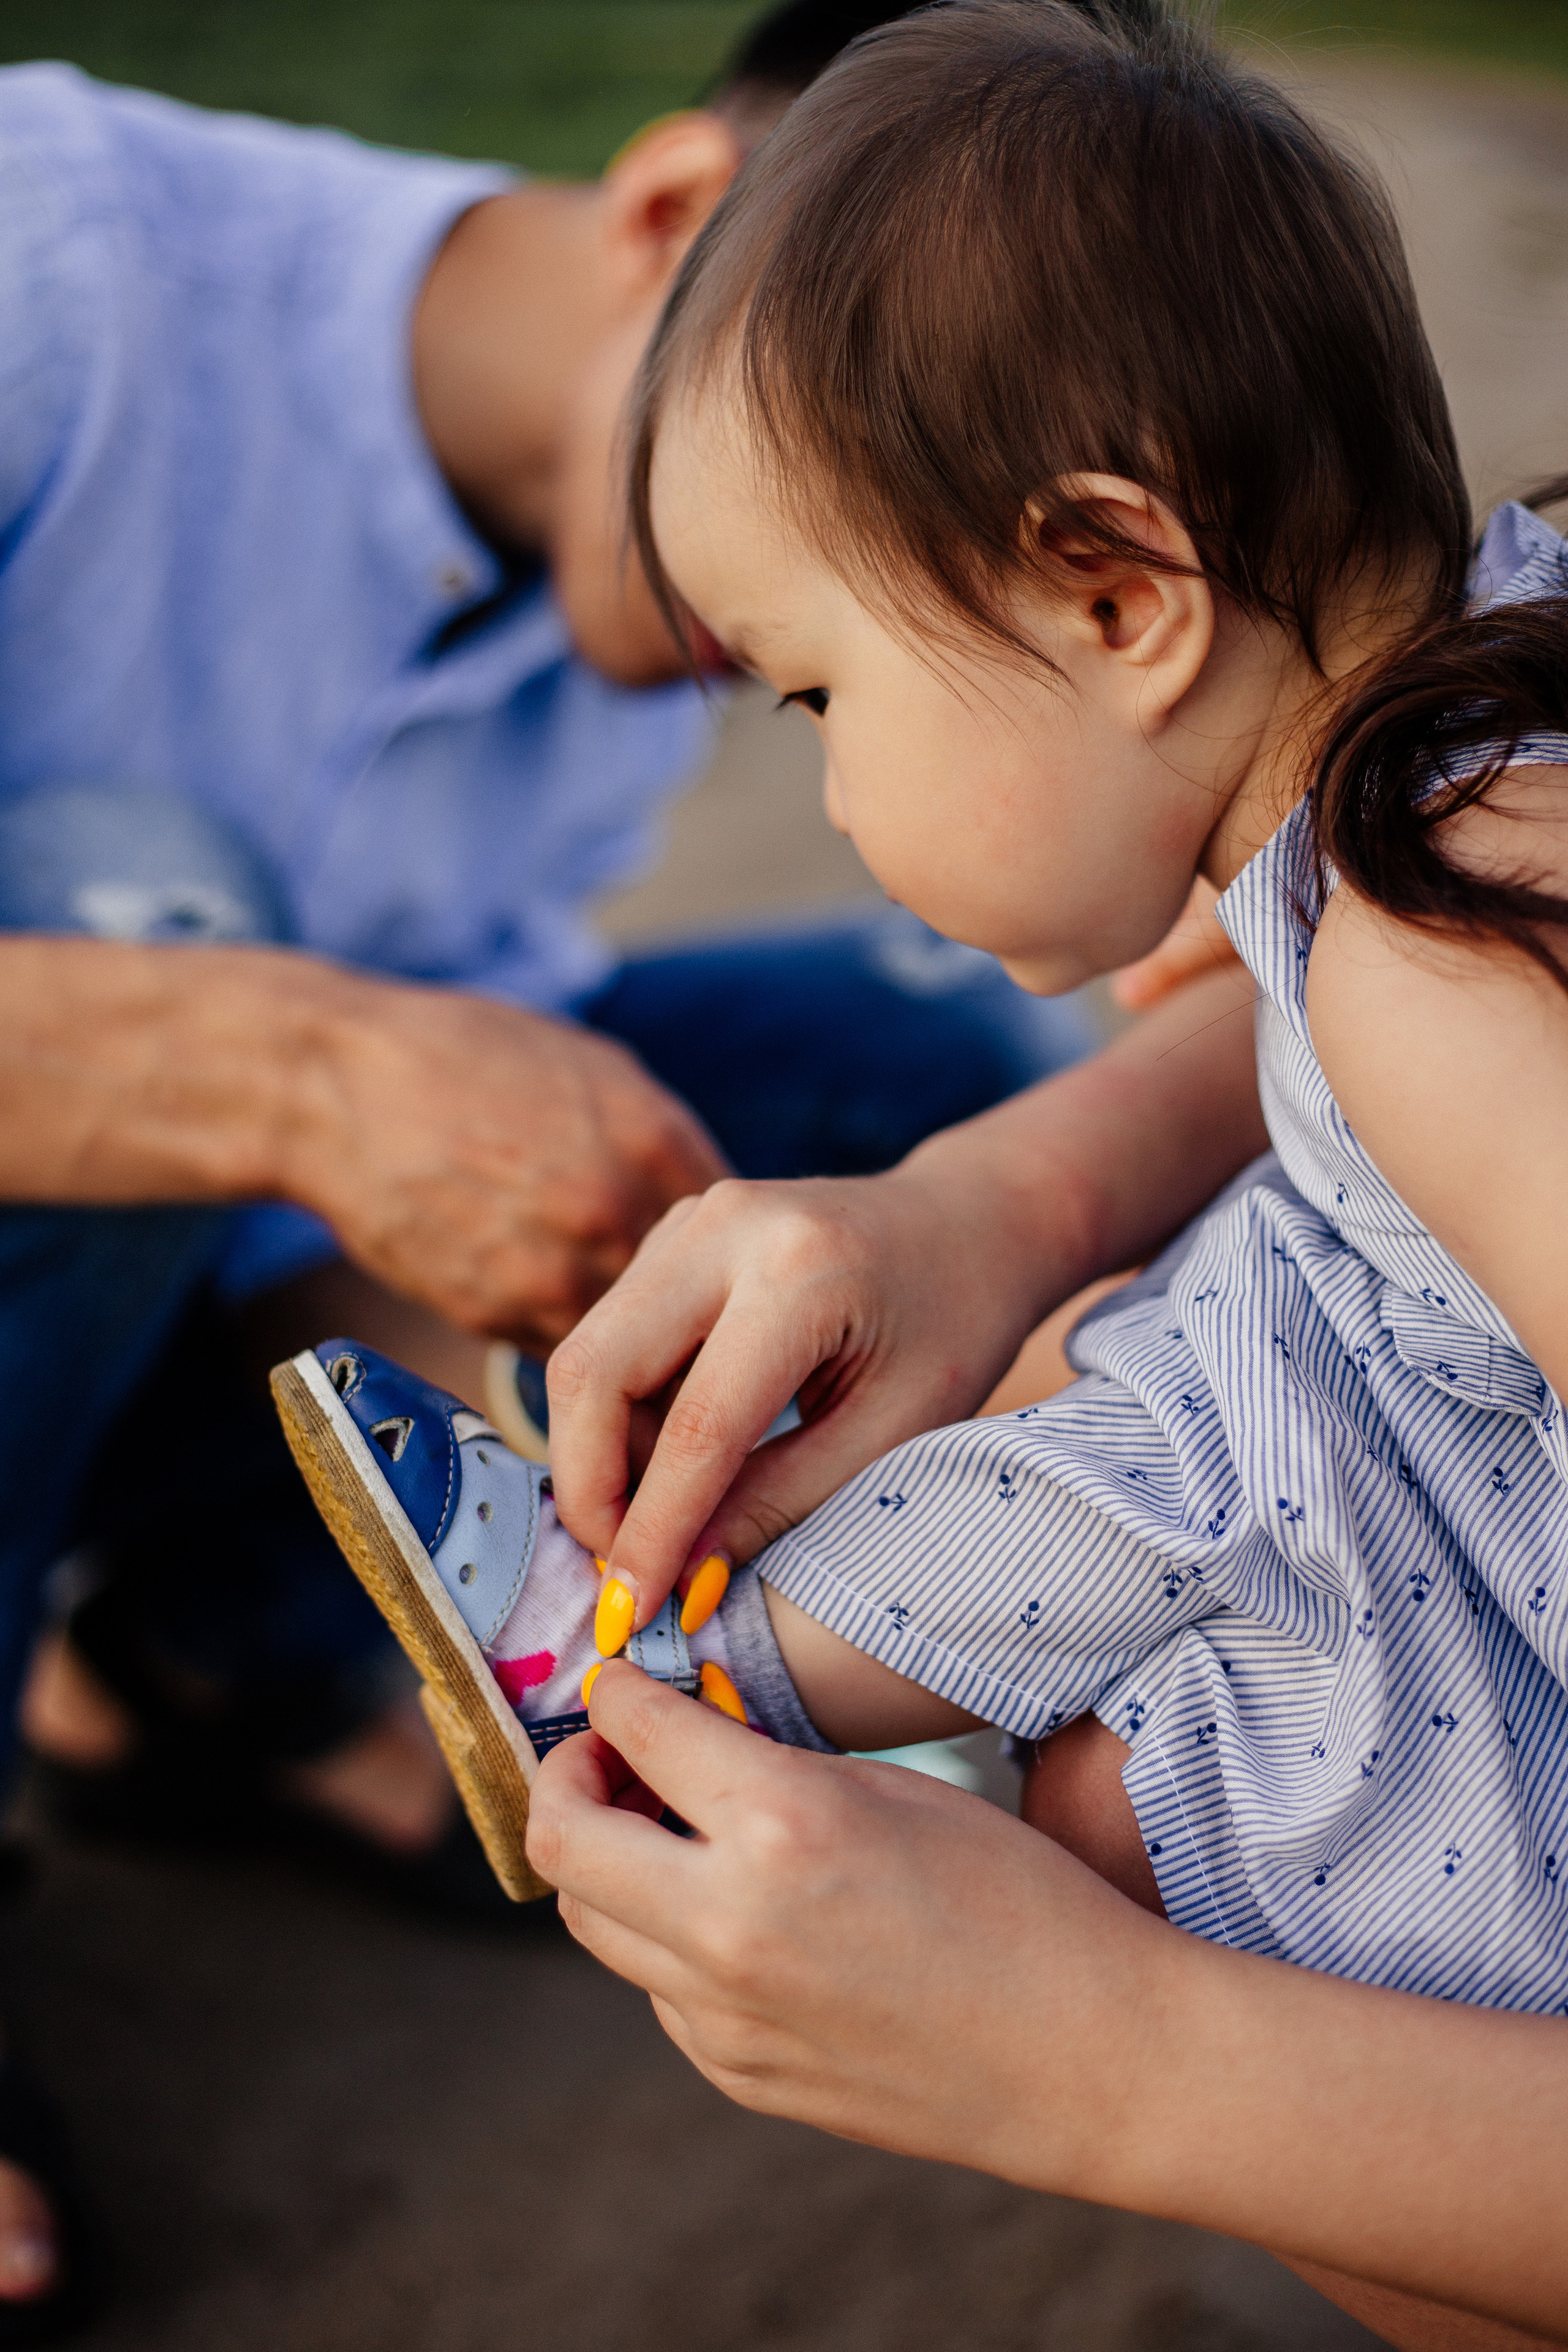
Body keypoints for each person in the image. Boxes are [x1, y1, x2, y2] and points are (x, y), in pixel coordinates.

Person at [372, 1, 1564, 2341]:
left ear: (1117, 594)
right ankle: (694, 1658)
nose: (825, 796)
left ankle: (657, 1666)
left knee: (1202, 1452)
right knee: (1191, 1376)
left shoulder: (1436, 958)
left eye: (820, 695)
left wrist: (1106, 2061)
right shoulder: (1447, 773)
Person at [0, 0, 1103, 2324]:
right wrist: (288, 1065)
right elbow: (286, 1102)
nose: (831, 624)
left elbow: (354, 1223)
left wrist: (563, 1468)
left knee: (891, 1065)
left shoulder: (628, 624)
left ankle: (246, 1679)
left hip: (119, 1331)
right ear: (680, 215)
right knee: (137, 897)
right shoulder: (49, 268)